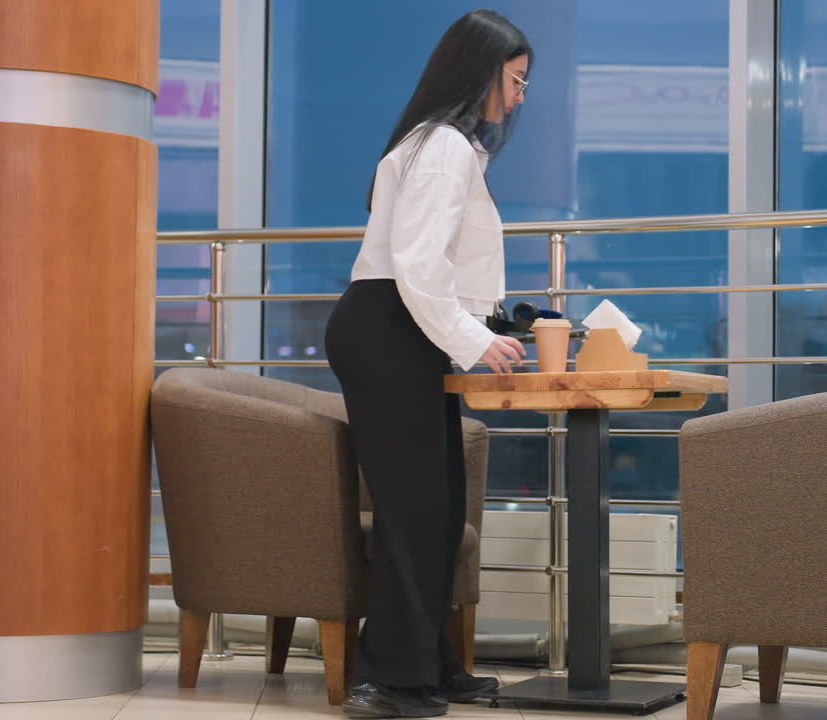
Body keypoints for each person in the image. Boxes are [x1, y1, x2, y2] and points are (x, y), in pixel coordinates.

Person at [323, 9, 532, 719]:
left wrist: (478, 328)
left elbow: (439, 267)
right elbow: (416, 265)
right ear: (483, 72)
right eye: (516, 79)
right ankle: (389, 681)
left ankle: (432, 664)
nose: (520, 96)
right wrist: (473, 339)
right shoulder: (440, 146)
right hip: (390, 328)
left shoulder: (448, 145)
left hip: (406, 329)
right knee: (413, 511)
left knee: (437, 508)